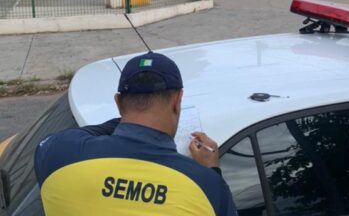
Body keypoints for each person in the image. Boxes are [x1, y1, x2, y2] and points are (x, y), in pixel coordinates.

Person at [34, 52, 237, 216]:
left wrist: (123, 122)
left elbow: (62, 138)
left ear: (118, 102)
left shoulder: (57, 155)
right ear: (177, 101)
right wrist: (212, 171)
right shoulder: (208, 187)